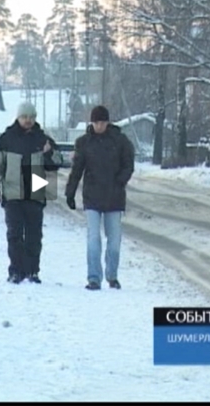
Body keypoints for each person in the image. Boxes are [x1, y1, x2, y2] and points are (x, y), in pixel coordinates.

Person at [0, 101, 63, 284]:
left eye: (31, 117)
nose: (28, 120)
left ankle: (32, 271)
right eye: (24, 117)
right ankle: (16, 271)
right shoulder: (6, 139)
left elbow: (56, 163)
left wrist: (48, 153)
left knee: (34, 236)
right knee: (14, 235)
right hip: (12, 195)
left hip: (35, 192)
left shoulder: (44, 140)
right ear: (18, 117)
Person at [64, 105, 135, 290]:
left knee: (114, 241)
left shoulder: (120, 141)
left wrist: (120, 181)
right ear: (92, 123)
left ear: (107, 122)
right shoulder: (84, 143)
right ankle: (93, 278)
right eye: (96, 122)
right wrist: (70, 192)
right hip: (92, 197)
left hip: (114, 197)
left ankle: (112, 276)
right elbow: (77, 170)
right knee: (93, 238)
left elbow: (129, 164)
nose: (99, 126)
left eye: (102, 122)